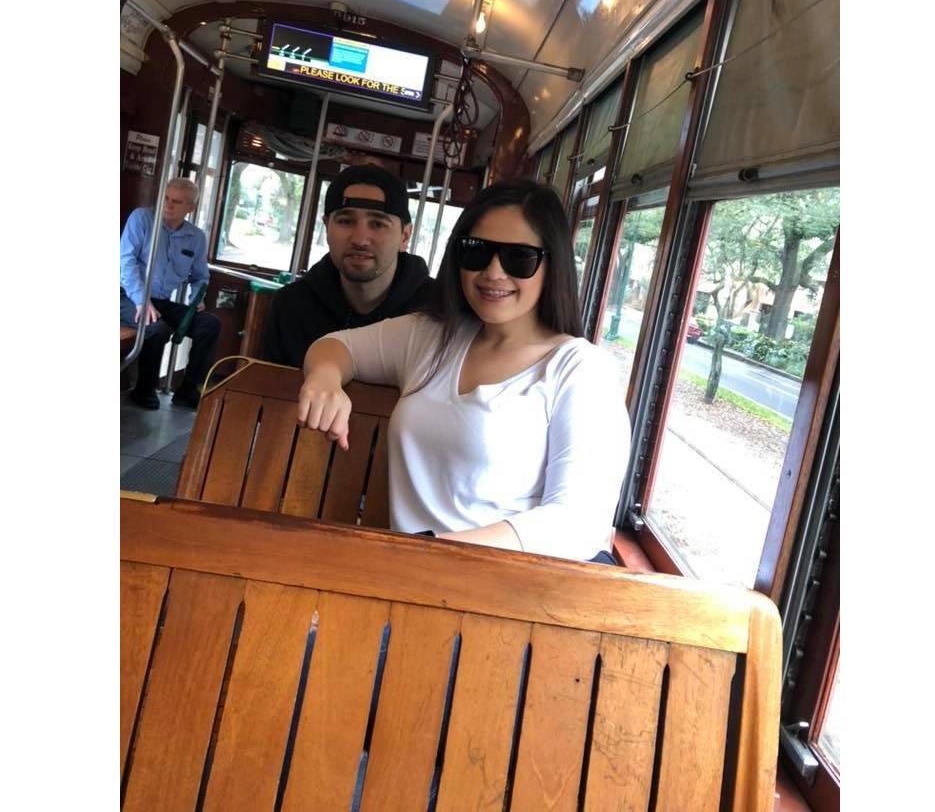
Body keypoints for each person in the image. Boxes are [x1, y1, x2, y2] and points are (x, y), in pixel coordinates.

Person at [297, 178, 631, 562]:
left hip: (500, 594)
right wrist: (325, 379)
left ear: (551, 264)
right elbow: (338, 346)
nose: (492, 272)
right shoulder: (431, 337)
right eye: (476, 251)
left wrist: (429, 552)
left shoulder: (579, 370)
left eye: (518, 257)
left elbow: (577, 523)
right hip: (405, 576)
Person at [261, 165, 434, 368]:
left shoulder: (436, 312)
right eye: (346, 221)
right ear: (327, 228)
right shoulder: (290, 305)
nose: (360, 239)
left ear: (404, 237)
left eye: (378, 224)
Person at [120, 177, 221, 410]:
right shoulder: (142, 219)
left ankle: (188, 390)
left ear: (191, 208)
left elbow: (200, 276)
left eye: (176, 202)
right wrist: (141, 301)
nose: (168, 205)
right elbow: (126, 263)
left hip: (161, 300)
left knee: (209, 324)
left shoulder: (196, 237)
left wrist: (197, 298)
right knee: (158, 328)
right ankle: (144, 389)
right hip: (126, 295)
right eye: (165, 198)